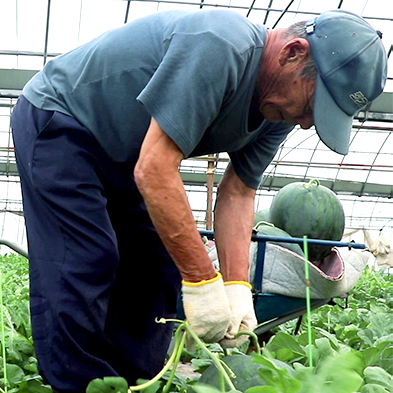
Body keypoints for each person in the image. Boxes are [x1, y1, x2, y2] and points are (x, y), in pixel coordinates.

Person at [11, 7, 386, 393]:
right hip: (62, 121)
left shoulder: (279, 110)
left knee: (156, 266)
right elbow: (155, 169)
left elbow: (239, 191)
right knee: (86, 257)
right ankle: (76, 385)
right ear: (293, 52)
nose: (307, 122)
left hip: (126, 153)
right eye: (313, 105)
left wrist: (237, 288)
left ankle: (135, 382)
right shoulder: (220, 48)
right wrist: (203, 280)